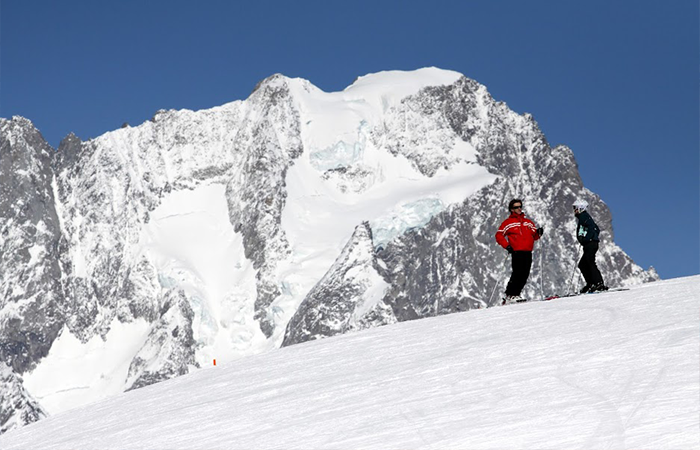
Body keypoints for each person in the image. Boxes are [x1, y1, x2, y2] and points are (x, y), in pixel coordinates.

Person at [495, 199, 543, 304]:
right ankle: (510, 294)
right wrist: (507, 246)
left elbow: (534, 236)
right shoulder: (508, 223)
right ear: (512, 209)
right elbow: (499, 235)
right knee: (518, 273)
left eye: (520, 206)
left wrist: (538, 233)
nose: (519, 209)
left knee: (525, 273)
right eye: (516, 207)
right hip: (517, 251)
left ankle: (516, 294)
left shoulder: (528, 223)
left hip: (528, 251)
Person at [573, 199, 607, 293]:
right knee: (583, 264)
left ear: (580, 208)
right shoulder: (583, 217)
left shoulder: (584, 216)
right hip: (590, 243)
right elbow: (595, 229)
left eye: (575, 208)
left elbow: (593, 228)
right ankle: (591, 283)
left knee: (590, 262)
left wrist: (586, 238)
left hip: (590, 244)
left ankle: (598, 283)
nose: (574, 210)